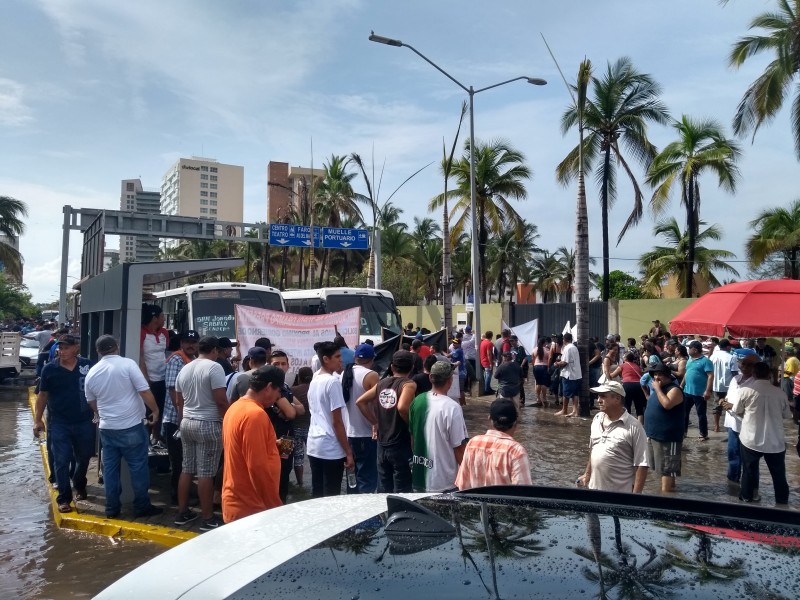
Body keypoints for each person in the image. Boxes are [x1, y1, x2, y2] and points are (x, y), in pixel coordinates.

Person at [85, 335, 162, 519]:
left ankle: (112, 508)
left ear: (98, 351)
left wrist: (102, 413)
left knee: (110, 470)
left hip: (107, 428)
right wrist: (155, 410)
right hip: (131, 426)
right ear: (117, 347)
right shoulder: (128, 365)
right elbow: (143, 390)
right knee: (138, 467)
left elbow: (91, 401)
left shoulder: (92, 372)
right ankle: (142, 507)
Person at [33, 334, 94, 513]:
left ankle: (79, 482)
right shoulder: (50, 369)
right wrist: (38, 420)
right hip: (59, 422)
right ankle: (64, 498)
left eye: (67, 347)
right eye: (61, 347)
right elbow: (42, 395)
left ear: (76, 348)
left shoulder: (87, 366)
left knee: (84, 457)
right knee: (61, 460)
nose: (62, 350)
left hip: (84, 421)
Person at [174, 336, 228, 531]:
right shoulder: (215, 368)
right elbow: (221, 400)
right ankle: (207, 518)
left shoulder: (185, 368)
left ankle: (182, 512)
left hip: (187, 422)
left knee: (187, 468)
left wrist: (181, 422)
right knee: (206, 473)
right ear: (214, 350)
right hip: (208, 423)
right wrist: (229, 419)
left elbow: (179, 401)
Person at [222, 365, 285, 522]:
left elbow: (240, 448)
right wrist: (274, 506)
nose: (278, 397)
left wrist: (271, 445)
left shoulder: (235, 407)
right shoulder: (255, 415)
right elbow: (257, 467)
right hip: (251, 508)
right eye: (279, 391)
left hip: (240, 502)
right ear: (269, 387)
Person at [356, 350, 417, 493]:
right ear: (412, 367)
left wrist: (374, 422)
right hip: (400, 444)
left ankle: (384, 515)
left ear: (392, 367)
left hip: (382, 445)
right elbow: (402, 407)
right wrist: (412, 427)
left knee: (383, 490)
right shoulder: (408, 384)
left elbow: (360, 401)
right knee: (402, 491)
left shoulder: (382, 383)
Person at [735, 362, 792, 505]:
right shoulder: (780, 393)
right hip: (775, 441)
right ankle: (782, 501)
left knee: (748, 471)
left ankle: (746, 498)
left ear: (753, 374)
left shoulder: (745, 390)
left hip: (750, 438)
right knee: (778, 473)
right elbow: (787, 415)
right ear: (769, 375)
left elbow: (737, 411)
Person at [408, 360, 469, 492]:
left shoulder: (417, 401)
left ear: (430, 377)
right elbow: (459, 447)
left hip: (418, 478)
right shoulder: (452, 407)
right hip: (444, 482)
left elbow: (412, 439)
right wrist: (468, 478)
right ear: (450, 380)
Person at [576, 381, 648, 493]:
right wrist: (587, 474)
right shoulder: (597, 419)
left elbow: (642, 465)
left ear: (617, 399)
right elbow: (594, 450)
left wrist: (635, 499)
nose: (598, 400)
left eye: (603, 396)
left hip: (619, 497)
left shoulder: (634, 427)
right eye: (598, 396)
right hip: (593, 491)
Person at [306, 341, 354, 497]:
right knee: (331, 495)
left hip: (314, 443)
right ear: (326, 359)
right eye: (337, 356)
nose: (341, 360)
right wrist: (348, 451)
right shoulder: (332, 382)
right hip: (330, 446)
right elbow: (337, 421)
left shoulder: (315, 377)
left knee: (318, 492)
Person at [456, 398, 531, 490]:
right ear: (515, 422)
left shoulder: (473, 443)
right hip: (503, 504)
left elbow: (463, 486)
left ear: (490, 419)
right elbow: (523, 494)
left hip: (477, 503)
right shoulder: (516, 451)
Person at [162, 330, 199, 504]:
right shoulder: (177, 359)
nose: (190, 345)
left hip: (186, 417)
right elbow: (171, 389)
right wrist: (180, 414)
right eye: (187, 342)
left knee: (186, 460)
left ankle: (184, 493)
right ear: (181, 343)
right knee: (178, 462)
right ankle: (176, 497)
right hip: (175, 418)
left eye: (193, 342)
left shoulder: (192, 360)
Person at [268, 350, 303, 503]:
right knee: (277, 473)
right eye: (276, 364)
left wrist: (290, 407)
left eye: (283, 364)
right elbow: (291, 414)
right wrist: (290, 409)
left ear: (288, 366)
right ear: (270, 365)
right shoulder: (272, 387)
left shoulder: (286, 386)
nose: (280, 367)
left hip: (287, 438)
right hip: (276, 437)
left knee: (286, 470)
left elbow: (301, 408)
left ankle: (281, 503)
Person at [643, 362, 684, 492]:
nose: (656, 378)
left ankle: (666, 497)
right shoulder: (658, 388)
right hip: (654, 434)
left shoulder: (674, 389)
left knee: (667, 468)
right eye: (654, 375)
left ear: (667, 376)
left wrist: (658, 389)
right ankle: (670, 491)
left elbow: (667, 404)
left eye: (659, 374)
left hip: (668, 436)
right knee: (660, 467)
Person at [344, 344, 380, 493]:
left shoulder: (344, 374)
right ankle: (367, 514)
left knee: (352, 477)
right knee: (367, 478)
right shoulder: (371, 375)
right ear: (372, 359)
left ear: (355, 358)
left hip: (349, 431)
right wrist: (375, 422)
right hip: (366, 432)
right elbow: (377, 402)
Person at [720, 354, 759, 486]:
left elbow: (755, 407)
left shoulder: (757, 384)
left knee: (749, 459)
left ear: (756, 367)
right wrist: (724, 401)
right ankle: (732, 483)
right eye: (744, 363)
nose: (745, 366)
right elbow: (730, 396)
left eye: (750, 364)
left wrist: (732, 406)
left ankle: (751, 487)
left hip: (747, 425)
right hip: (732, 422)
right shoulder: (735, 378)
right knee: (732, 454)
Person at [140, 304, 169, 447]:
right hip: (148, 380)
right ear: (154, 317)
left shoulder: (164, 332)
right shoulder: (141, 332)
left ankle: (156, 437)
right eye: (162, 316)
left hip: (163, 378)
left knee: (161, 407)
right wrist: (146, 379)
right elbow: (140, 357)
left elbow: (165, 353)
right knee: (147, 410)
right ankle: (146, 439)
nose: (164, 319)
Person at [681, 340, 713, 440]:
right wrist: (681, 386)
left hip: (700, 394)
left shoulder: (706, 361)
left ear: (694, 350)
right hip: (687, 392)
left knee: (701, 414)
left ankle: (704, 434)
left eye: (689, 348)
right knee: (684, 412)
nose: (688, 350)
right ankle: (684, 432)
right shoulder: (690, 360)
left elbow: (710, 376)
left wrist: (707, 391)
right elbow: (687, 373)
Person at [290, 366, 313, 486]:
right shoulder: (314, 388)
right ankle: (316, 480)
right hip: (312, 428)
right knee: (314, 455)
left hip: (296, 427)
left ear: (299, 377)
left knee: (298, 457)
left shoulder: (293, 390)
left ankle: (300, 483)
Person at [711, 339, 738, 433]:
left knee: (716, 405)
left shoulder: (713, 356)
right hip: (729, 386)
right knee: (729, 405)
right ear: (727, 347)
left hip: (715, 385)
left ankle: (716, 427)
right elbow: (734, 372)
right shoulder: (731, 357)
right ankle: (729, 426)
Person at [555, 332, 581, 417]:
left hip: (568, 374)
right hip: (577, 374)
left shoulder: (567, 348)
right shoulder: (574, 347)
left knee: (565, 393)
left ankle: (564, 410)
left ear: (564, 340)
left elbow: (565, 362)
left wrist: (557, 364)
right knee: (575, 394)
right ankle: (575, 411)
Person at [620, 351, 645, 422]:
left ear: (626, 358)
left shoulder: (623, 365)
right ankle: (640, 426)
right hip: (638, 385)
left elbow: (613, 375)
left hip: (627, 385)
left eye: (624, 356)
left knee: (627, 405)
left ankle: (627, 424)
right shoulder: (637, 366)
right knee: (639, 407)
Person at [532, 337, 551, 408]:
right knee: (544, 383)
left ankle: (538, 398)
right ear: (544, 343)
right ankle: (544, 398)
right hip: (544, 367)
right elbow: (549, 359)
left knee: (538, 383)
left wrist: (535, 366)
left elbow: (533, 359)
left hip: (536, 367)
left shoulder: (534, 350)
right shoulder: (547, 350)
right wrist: (549, 367)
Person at [461, 325, 477, 393]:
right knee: (472, 373)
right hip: (473, 357)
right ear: (470, 330)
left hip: (465, 357)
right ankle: (471, 387)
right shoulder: (473, 337)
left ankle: (465, 387)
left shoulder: (463, 337)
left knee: (466, 373)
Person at [479, 331, 495, 395]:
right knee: (488, 375)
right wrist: (491, 363)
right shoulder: (489, 343)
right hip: (487, 361)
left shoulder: (482, 342)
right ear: (491, 336)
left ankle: (488, 388)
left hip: (482, 360)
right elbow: (489, 354)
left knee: (486, 375)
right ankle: (486, 390)